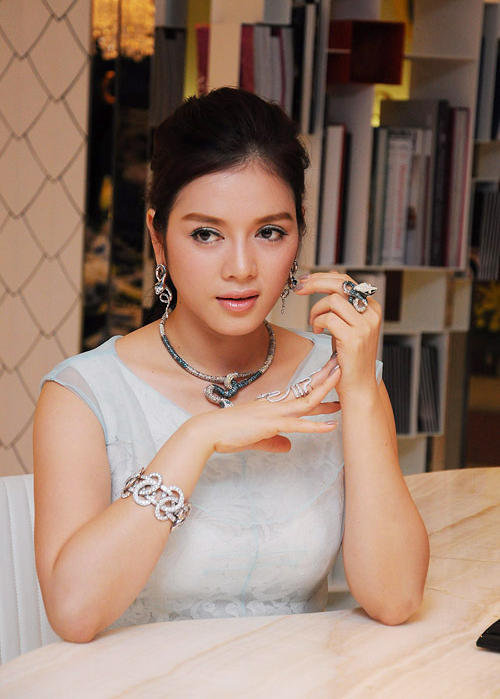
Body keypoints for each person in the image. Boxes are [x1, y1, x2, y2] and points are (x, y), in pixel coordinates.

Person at [33, 87, 429, 644]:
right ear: (158, 239)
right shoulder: (83, 394)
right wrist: (197, 438)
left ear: (298, 232)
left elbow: (396, 599)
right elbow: (73, 614)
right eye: (206, 234)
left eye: (269, 232)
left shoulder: (341, 374)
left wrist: (360, 389)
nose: (241, 268)